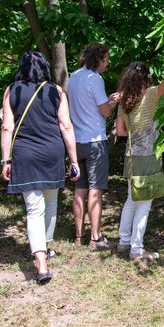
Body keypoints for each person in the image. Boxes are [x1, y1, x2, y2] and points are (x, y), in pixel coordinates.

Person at [0, 51, 79, 284]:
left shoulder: (11, 91)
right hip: (52, 152)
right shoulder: (56, 91)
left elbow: (7, 128)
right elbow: (66, 126)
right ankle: (44, 247)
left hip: (25, 154)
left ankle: (41, 262)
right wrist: (73, 160)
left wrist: (6, 160)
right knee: (51, 203)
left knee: (34, 209)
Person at [115, 52, 164, 262]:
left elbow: (120, 132)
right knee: (145, 204)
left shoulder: (124, 102)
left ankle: (123, 242)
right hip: (149, 155)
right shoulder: (150, 95)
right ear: (146, 78)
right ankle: (136, 249)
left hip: (131, 156)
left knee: (131, 199)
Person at [67, 43, 120, 250]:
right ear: (98, 59)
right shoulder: (95, 79)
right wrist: (113, 101)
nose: (107, 63)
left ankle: (79, 235)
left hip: (76, 140)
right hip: (95, 141)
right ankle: (95, 237)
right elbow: (105, 112)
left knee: (79, 190)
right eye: (106, 59)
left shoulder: (74, 76)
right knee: (95, 190)